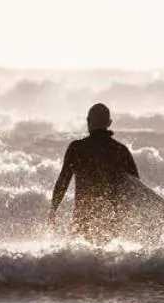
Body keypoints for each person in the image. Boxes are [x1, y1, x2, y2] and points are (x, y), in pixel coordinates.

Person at [50, 103, 140, 241]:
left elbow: (63, 181)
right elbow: (135, 188)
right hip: (111, 219)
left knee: (83, 257)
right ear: (109, 123)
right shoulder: (120, 150)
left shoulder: (77, 148)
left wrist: (53, 208)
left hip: (83, 217)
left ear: (88, 121)